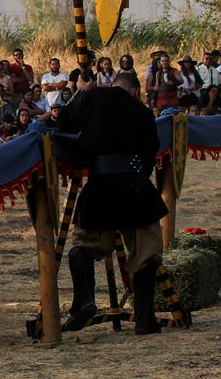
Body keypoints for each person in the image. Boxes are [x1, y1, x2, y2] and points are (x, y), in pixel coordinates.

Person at [57, 72, 168, 334]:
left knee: (85, 245)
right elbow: (151, 150)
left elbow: (64, 123)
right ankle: (144, 320)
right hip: (136, 186)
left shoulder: (92, 96)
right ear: (134, 91)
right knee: (145, 253)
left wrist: (81, 92)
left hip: (101, 184)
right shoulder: (142, 112)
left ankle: (84, 301)